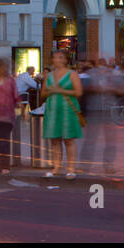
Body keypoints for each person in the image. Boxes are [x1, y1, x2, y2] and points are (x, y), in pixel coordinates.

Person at [41, 49, 84, 180]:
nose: (57, 60)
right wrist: (51, 92)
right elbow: (42, 94)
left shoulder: (72, 74)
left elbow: (78, 92)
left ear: (66, 60)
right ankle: (56, 168)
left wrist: (61, 90)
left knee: (69, 140)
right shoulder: (49, 75)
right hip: (52, 109)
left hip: (68, 111)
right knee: (54, 140)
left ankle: (71, 169)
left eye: (60, 58)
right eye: (55, 58)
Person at [83, 60, 124, 174]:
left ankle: (109, 163)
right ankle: (86, 163)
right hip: (94, 109)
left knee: (110, 139)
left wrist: (112, 89)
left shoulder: (116, 74)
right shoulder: (90, 73)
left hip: (109, 109)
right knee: (90, 138)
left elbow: (122, 91)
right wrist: (93, 88)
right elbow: (82, 89)